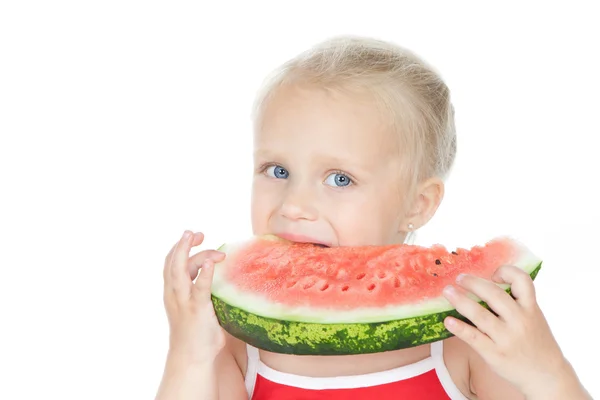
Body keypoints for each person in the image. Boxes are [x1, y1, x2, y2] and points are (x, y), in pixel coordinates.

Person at [155, 36, 591, 399]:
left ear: (418, 204)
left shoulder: (466, 343)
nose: (293, 204)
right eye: (278, 171)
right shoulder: (237, 347)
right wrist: (187, 354)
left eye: (340, 178)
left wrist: (546, 371)